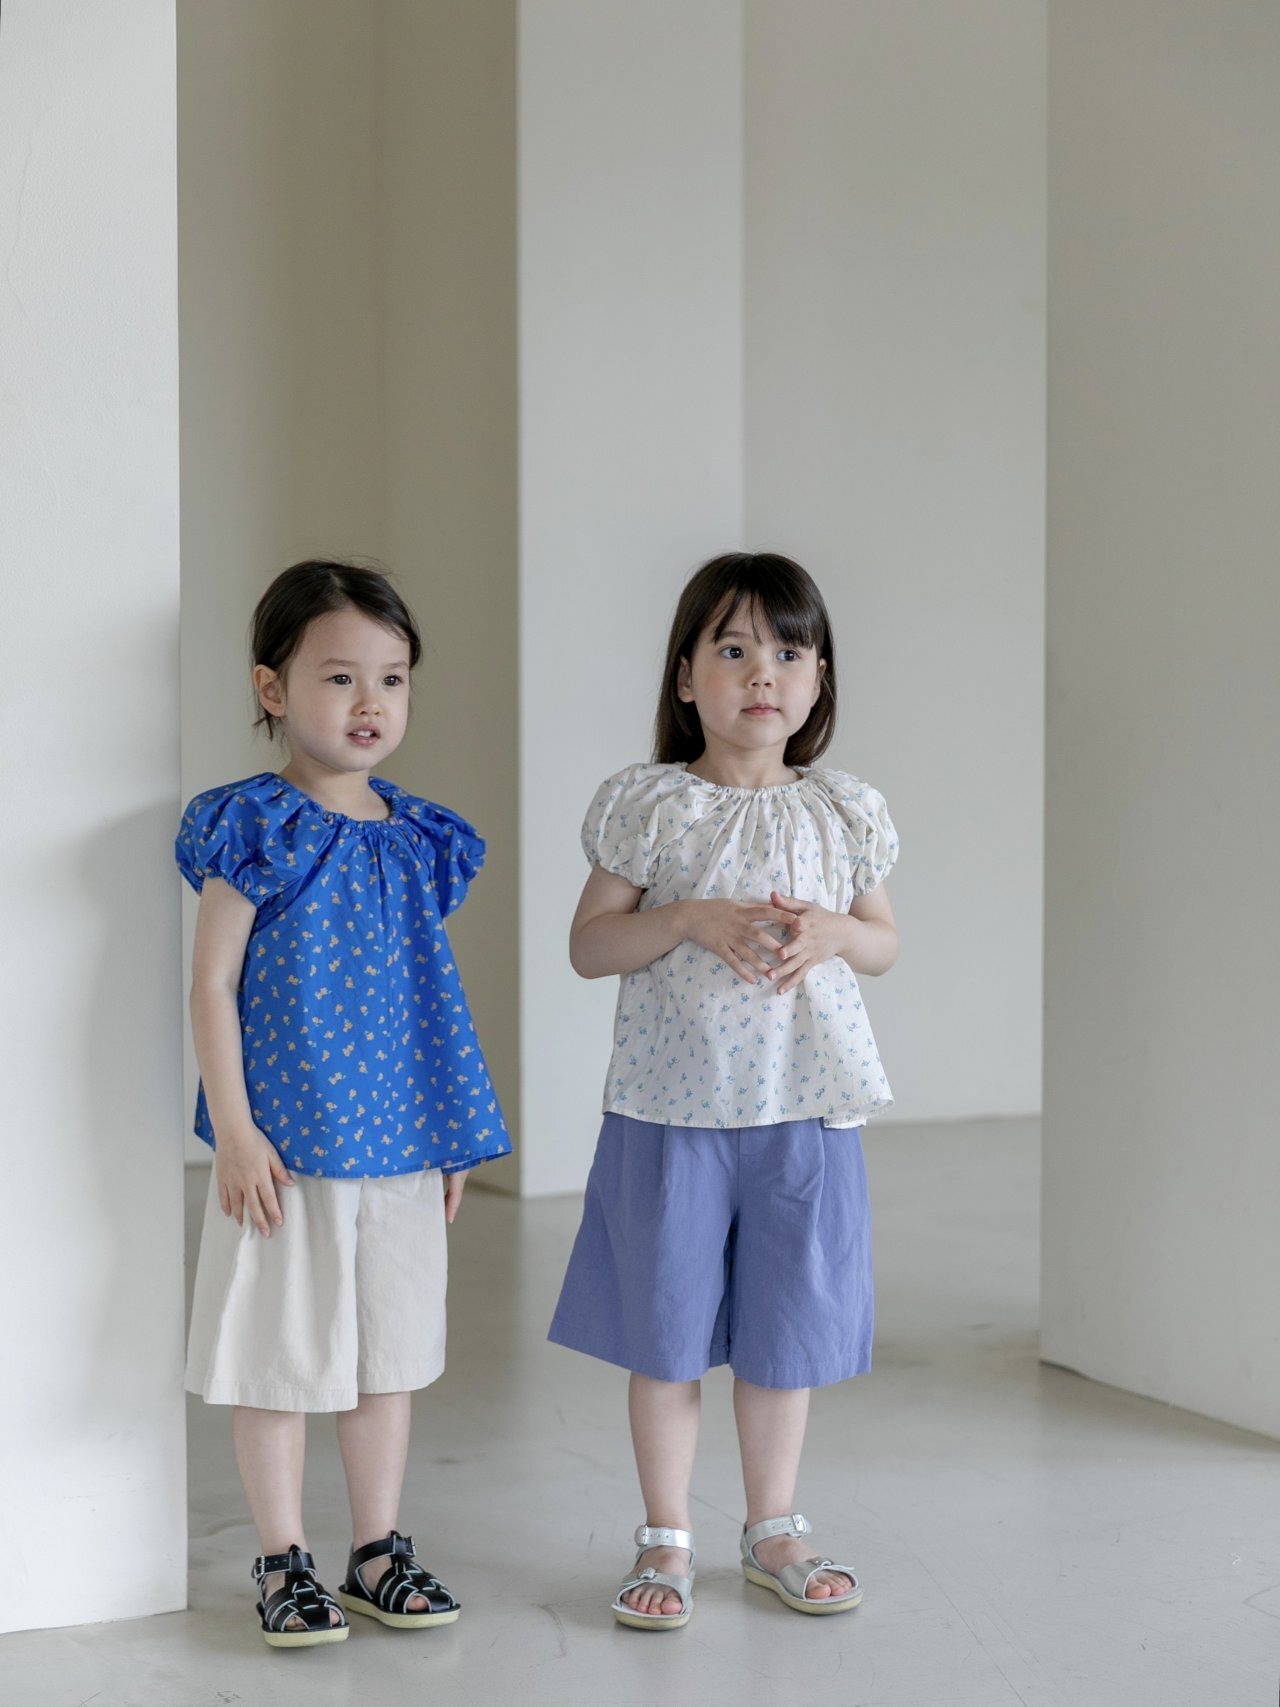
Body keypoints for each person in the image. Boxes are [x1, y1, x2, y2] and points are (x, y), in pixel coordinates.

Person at [549, 551, 899, 1629]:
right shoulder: (653, 805)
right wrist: (687, 919)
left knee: (785, 1334)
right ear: (685, 677)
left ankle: (772, 1527)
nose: (762, 673)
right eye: (734, 649)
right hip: (673, 1112)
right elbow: (589, 945)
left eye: (788, 651)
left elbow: (883, 943)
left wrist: (838, 933)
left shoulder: (843, 810)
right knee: (665, 1333)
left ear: (819, 677)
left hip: (804, 1110)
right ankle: (665, 1535)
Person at [176, 559, 509, 1647]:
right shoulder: (257, 825)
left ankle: (376, 1551)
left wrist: (451, 1132)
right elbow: (212, 983)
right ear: (272, 689)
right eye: (339, 677)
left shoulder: (419, 836)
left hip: (401, 1147)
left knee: (387, 1356)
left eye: (392, 679)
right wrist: (234, 1129)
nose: (371, 703)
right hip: (287, 1150)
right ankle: (282, 1558)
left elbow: (427, 994)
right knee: (279, 1361)